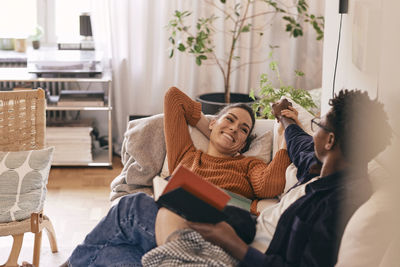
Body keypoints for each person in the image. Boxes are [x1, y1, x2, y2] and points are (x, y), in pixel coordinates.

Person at [57, 86, 290, 266]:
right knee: (110, 253)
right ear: (212, 122)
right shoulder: (187, 155)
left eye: (243, 130)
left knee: (130, 206)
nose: (234, 129)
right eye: (230, 120)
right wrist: (208, 126)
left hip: (211, 233)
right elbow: (174, 98)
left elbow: (271, 184)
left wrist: (282, 135)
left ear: (243, 143)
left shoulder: (247, 165)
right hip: (167, 226)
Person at [187, 89, 392, 266]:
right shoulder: (324, 167)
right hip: (249, 226)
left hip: (249, 251)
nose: (313, 134)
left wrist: (233, 244)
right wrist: (284, 118)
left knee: (162, 214)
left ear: (330, 140)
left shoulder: (339, 206)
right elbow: (299, 141)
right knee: (177, 200)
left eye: (318, 125)